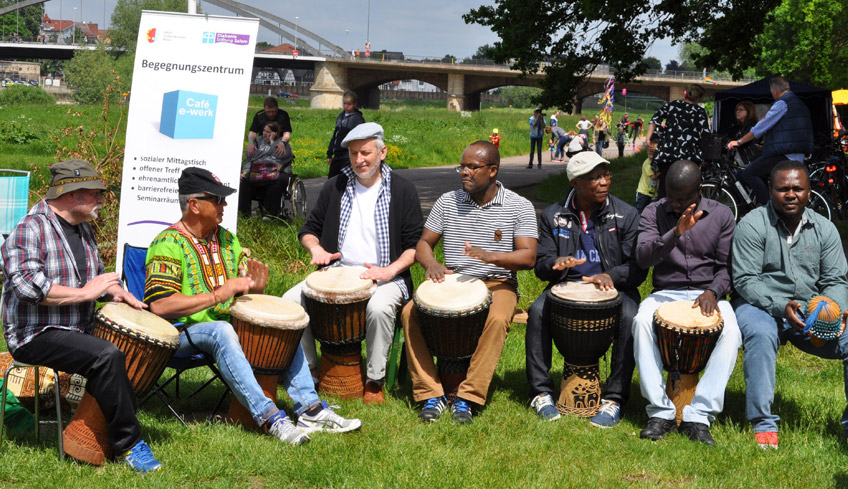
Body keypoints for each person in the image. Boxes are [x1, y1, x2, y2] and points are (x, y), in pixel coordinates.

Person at [145, 167, 361, 446]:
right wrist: (217, 295)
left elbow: (244, 291)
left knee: (279, 323)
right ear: (194, 205)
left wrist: (256, 287)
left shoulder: (226, 240)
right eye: (217, 199)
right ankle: (270, 417)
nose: (224, 205)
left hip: (229, 325)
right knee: (220, 330)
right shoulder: (167, 244)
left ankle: (310, 409)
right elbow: (160, 306)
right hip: (181, 332)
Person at [1, 160, 162, 473]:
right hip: (34, 333)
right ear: (71, 195)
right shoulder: (29, 229)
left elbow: (94, 278)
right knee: (105, 355)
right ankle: (130, 445)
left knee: (129, 346)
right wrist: (88, 293)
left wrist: (112, 291)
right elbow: (28, 286)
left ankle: (95, 429)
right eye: (95, 193)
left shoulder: (82, 229)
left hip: (76, 329)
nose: (101, 200)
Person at [283, 122, 424, 404]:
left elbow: (415, 246)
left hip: (388, 276)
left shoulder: (403, 190)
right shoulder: (335, 186)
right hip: (337, 271)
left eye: (366, 153)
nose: (359, 160)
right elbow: (308, 229)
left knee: (379, 307)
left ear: (382, 152)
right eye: (353, 153)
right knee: (290, 300)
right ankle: (311, 370)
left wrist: (389, 270)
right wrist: (317, 249)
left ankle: (374, 380)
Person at [403, 141, 537, 424]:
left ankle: (468, 396)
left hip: (497, 282)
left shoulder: (518, 206)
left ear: (492, 171)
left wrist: (491, 257)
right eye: (462, 167)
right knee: (408, 312)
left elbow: (528, 257)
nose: (464, 172)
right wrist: (433, 264)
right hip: (453, 279)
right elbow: (424, 244)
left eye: (472, 168)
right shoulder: (447, 201)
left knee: (499, 318)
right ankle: (430, 393)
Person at [731, 160, 848, 449]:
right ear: (770, 191)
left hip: (810, 309)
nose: (791, 194)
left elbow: (836, 279)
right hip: (758, 305)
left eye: (798, 188)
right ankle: (764, 423)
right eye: (783, 189)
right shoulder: (752, 225)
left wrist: (832, 310)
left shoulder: (825, 229)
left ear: (810, 191)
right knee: (761, 333)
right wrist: (782, 305)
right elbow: (745, 280)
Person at [526, 152, 645, 426]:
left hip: (615, 289)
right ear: (575, 183)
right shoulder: (553, 216)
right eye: (595, 178)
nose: (604, 182)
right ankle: (541, 392)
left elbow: (637, 268)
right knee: (537, 312)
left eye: (606, 175)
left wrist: (611, 275)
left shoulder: (626, 214)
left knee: (629, 317)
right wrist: (557, 263)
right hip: (565, 288)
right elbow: (540, 264)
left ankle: (614, 398)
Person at [633, 160, 741, 446]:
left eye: (684, 198)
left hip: (707, 293)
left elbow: (727, 266)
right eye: (671, 196)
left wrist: (714, 291)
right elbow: (644, 257)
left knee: (732, 331)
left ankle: (700, 414)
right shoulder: (653, 212)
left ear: (699, 189)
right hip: (666, 292)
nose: (676, 203)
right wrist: (675, 232)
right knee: (641, 321)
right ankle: (660, 411)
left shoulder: (721, 214)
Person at [727, 77, 813, 205]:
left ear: (775, 91)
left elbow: (760, 128)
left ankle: (766, 208)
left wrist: (738, 142)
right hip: (797, 153)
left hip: (784, 155)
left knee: (748, 174)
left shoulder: (782, 103)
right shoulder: (800, 103)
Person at [645, 84, 710, 198]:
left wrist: (648, 138)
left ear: (686, 93)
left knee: (665, 186)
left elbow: (654, 120)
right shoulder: (699, 111)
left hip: (667, 153)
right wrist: (704, 156)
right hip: (688, 155)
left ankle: (662, 212)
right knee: (686, 187)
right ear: (699, 98)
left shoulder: (672, 105)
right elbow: (705, 134)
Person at [238, 121, 294, 218]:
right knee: (245, 181)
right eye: (264, 130)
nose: (265, 133)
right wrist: (244, 172)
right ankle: (244, 214)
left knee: (276, 182)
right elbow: (250, 158)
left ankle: (269, 215)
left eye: (268, 132)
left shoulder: (283, 144)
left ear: (275, 133)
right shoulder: (257, 141)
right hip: (258, 171)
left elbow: (279, 156)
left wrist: (272, 143)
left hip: (278, 171)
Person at [326, 90, 366, 179]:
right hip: (337, 155)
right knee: (331, 181)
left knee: (345, 181)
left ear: (354, 104)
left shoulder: (358, 119)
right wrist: (330, 153)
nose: (346, 106)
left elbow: (361, 139)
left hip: (347, 156)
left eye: (349, 104)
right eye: (344, 103)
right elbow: (335, 136)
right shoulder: (341, 116)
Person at [722, 100, 760, 167]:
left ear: (749, 111)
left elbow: (745, 140)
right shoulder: (741, 127)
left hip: (751, 160)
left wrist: (736, 142)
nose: (737, 112)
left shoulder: (752, 125)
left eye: (741, 110)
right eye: (737, 110)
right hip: (744, 160)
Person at [635, 139, 660, 213]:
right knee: (640, 209)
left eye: (653, 154)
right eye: (649, 154)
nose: (651, 156)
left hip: (651, 191)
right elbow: (653, 176)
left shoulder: (655, 162)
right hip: (643, 191)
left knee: (649, 210)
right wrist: (658, 174)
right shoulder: (647, 163)